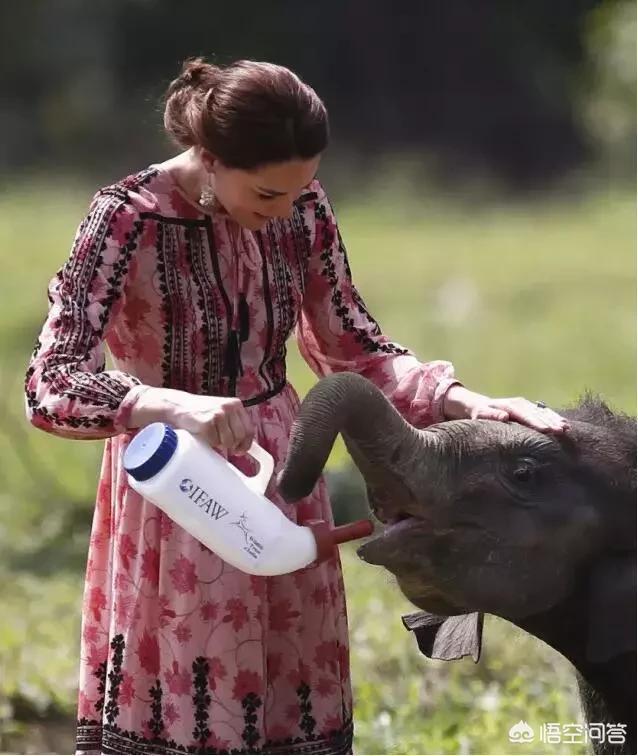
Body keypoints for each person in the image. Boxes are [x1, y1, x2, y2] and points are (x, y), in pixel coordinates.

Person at [24, 57, 569, 755]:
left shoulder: (302, 209)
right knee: (189, 702)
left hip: (283, 470)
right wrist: (170, 406)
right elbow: (52, 381)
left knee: (293, 706)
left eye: (299, 190)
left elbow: (355, 348)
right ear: (211, 159)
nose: (284, 212)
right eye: (266, 193)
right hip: (173, 487)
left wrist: (464, 400)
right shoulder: (124, 220)